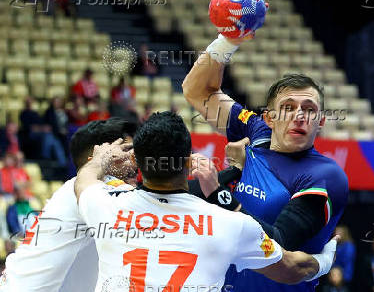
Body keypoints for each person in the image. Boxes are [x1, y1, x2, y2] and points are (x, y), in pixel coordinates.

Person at [74, 111, 339, 291]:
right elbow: (293, 269)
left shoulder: (106, 207)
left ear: (137, 163)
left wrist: (101, 158)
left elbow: (84, 180)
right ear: (189, 162)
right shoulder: (231, 224)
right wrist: (326, 258)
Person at [182, 34, 349, 292]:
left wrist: (219, 194)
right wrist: (228, 39)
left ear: (321, 122)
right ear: (269, 118)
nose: (299, 116)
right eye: (288, 107)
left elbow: (277, 244)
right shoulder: (257, 132)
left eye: (309, 109)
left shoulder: (326, 176)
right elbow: (196, 91)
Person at [0, 118, 138, 292]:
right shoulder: (95, 189)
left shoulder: (79, 191)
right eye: (127, 152)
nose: (135, 161)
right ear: (98, 159)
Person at [19, 97, 67, 166]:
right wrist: (42, 128)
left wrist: (44, 128)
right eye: (28, 102)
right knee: (49, 137)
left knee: (54, 140)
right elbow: (30, 128)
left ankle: (60, 163)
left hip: (44, 133)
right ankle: (49, 159)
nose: (30, 103)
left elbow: (42, 124)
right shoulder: (24, 113)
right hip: (31, 134)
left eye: (31, 102)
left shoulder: (35, 113)